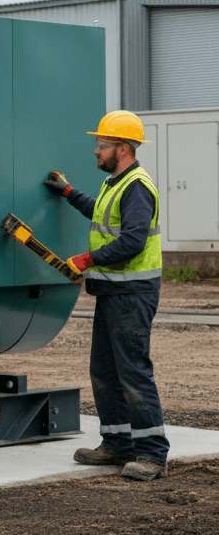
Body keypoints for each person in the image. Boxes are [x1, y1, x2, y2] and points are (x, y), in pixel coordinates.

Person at [45, 109, 168, 481]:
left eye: (102, 145)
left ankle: (152, 454)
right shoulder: (116, 182)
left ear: (124, 148)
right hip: (114, 292)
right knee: (104, 371)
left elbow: (131, 241)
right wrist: (68, 192)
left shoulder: (137, 187)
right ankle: (117, 444)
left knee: (132, 371)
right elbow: (99, 213)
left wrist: (87, 259)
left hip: (132, 294)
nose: (96, 151)